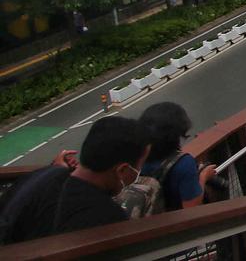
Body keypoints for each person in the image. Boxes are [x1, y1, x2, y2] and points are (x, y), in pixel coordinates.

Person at [0, 116, 149, 244]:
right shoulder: (106, 218)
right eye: (139, 166)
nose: (138, 172)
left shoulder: (45, 175)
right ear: (122, 170)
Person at [137, 102, 217, 211]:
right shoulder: (184, 164)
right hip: (174, 222)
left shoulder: (138, 158)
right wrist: (203, 176)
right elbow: (192, 207)